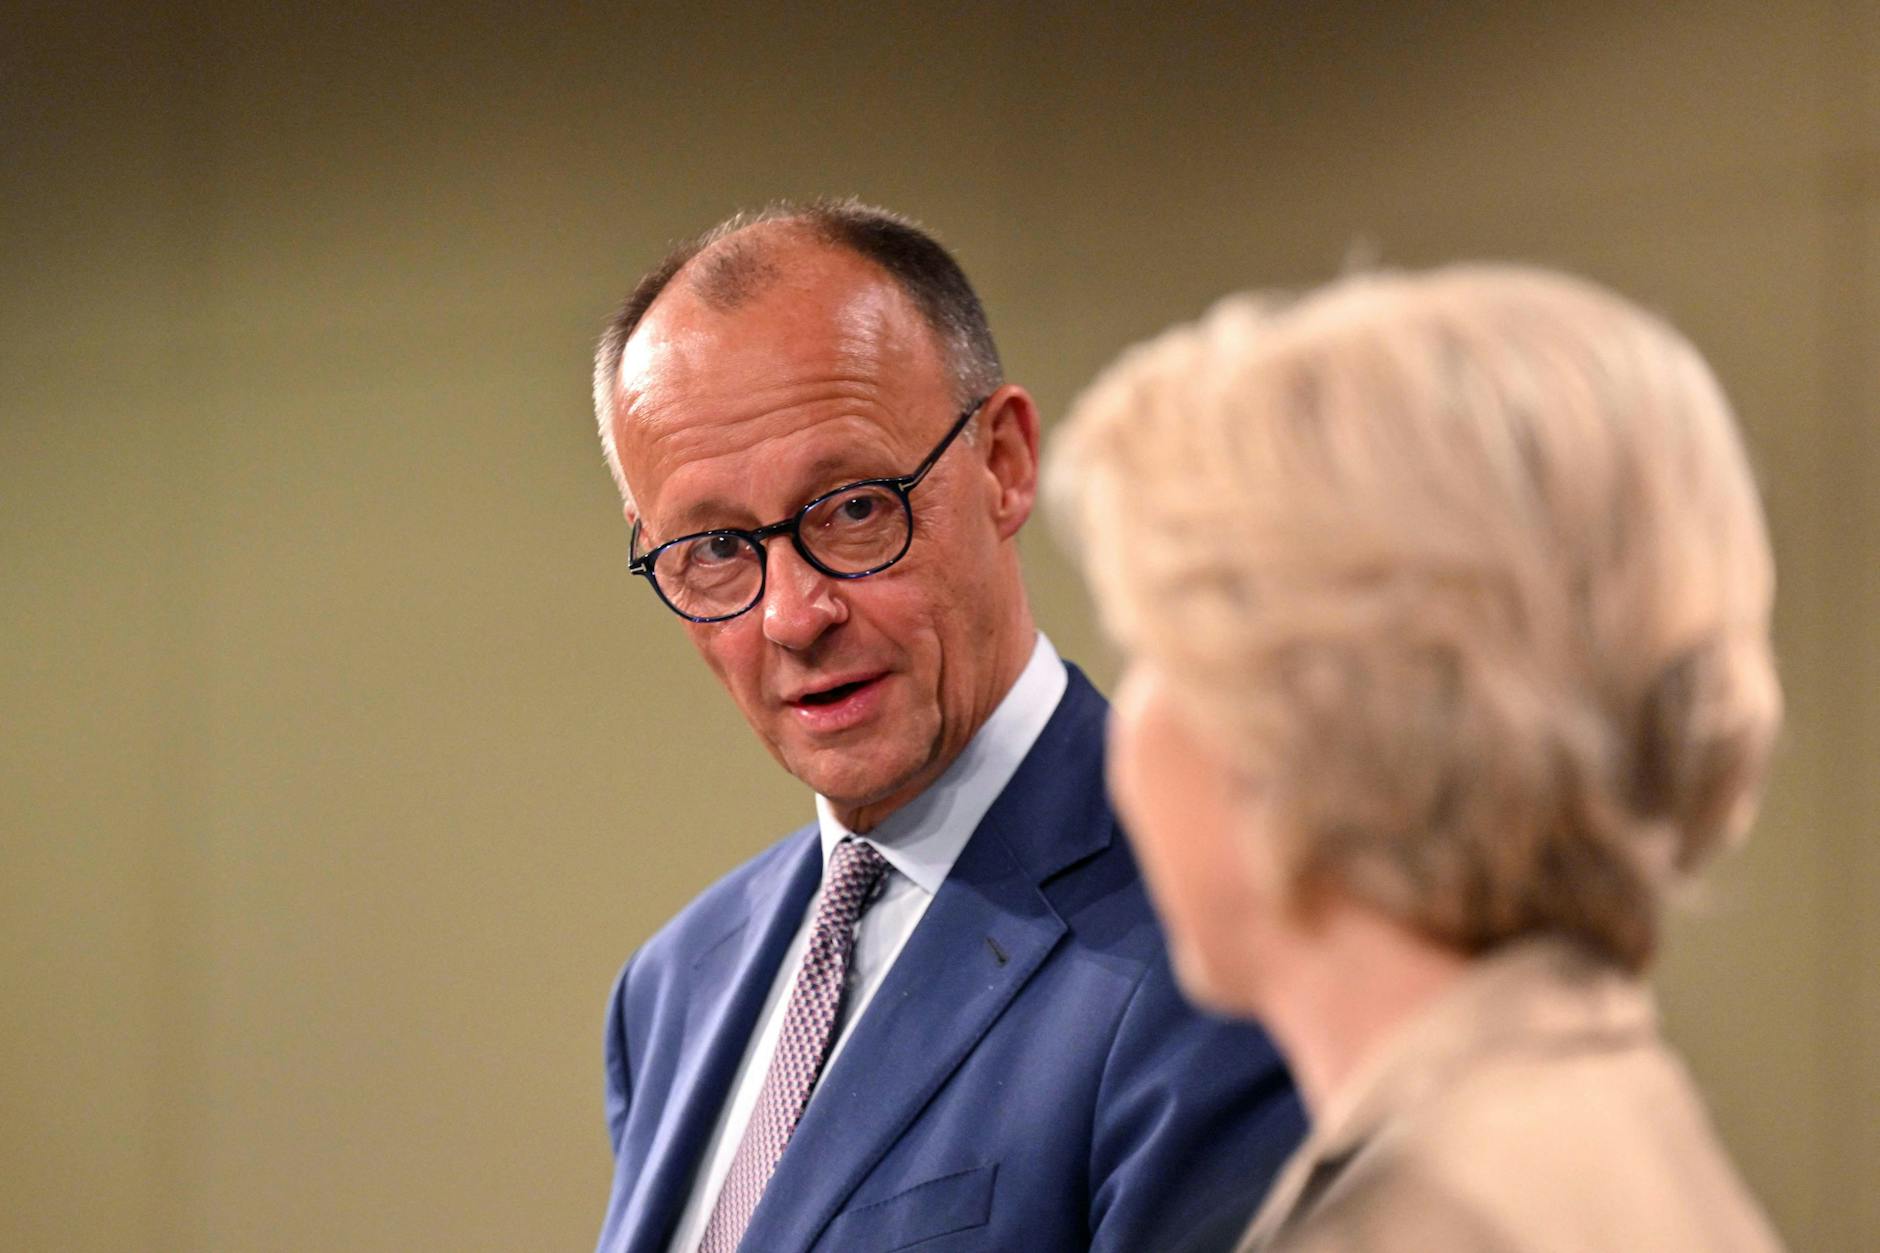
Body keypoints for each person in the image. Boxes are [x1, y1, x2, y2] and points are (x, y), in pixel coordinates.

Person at [587, 200, 1304, 1253]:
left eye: (853, 507)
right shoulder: (672, 985)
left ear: (1004, 462)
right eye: (715, 550)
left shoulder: (1227, 932)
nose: (792, 615)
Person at [1049, 264, 1786, 1252]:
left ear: (1305, 712)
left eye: (1157, 653)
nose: (1126, 730)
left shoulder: (1416, 1219)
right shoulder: (1614, 1127)